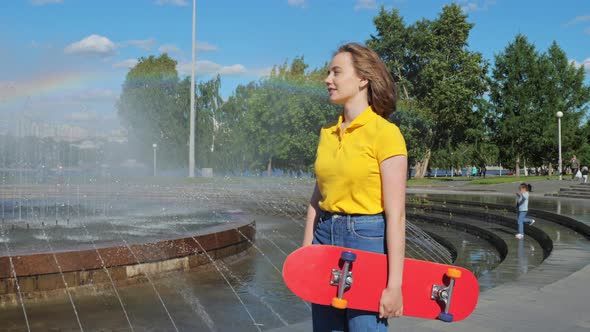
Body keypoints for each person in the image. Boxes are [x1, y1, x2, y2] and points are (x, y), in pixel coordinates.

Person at [302, 42, 406, 331]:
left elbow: (396, 215)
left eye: (336, 72)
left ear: (363, 79)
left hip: (366, 238)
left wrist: (394, 284)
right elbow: (317, 196)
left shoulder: (386, 133)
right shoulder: (327, 134)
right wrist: (306, 250)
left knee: (364, 327)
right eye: (328, 72)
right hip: (324, 237)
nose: (327, 79)